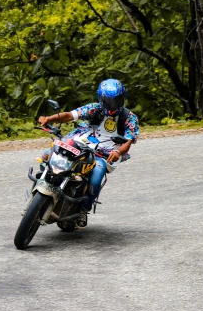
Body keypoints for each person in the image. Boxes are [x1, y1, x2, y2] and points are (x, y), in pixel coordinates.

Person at [37, 79, 139, 228]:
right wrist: (49, 118)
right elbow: (70, 115)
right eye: (107, 101)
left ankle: (84, 209)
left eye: (116, 100)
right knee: (49, 153)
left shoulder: (130, 118)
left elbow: (128, 142)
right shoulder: (94, 109)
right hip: (82, 141)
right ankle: (44, 181)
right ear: (100, 99)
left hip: (106, 153)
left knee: (96, 178)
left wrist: (118, 151)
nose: (112, 105)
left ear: (123, 98)